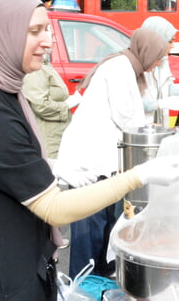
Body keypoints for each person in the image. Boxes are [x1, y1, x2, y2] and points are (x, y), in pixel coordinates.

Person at [0, 0, 179, 300]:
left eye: (47, 29)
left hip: (16, 260)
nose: (49, 41)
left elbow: (4, 162)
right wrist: (139, 176)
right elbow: (54, 208)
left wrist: (52, 166)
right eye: (34, 31)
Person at [53, 27, 170, 278]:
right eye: (159, 56)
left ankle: (100, 280)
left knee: (105, 225)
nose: (159, 62)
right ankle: (82, 286)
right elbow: (127, 117)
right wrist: (154, 132)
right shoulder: (120, 68)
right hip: (89, 159)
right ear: (147, 51)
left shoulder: (130, 66)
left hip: (103, 158)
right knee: (89, 230)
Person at [22, 54, 81, 160]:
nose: (53, 40)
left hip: (57, 132)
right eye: (51, 36)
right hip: (49, 135)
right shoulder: (35, 70)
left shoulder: (44, 64)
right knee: (53, 169)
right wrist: (68, 104)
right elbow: (41, 106)